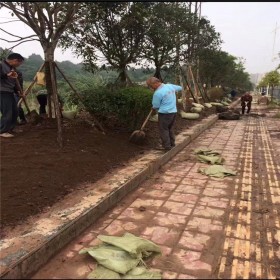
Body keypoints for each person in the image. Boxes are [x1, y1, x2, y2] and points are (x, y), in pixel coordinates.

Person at [146, 77, 182, 151]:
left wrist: (154, 108)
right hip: (173, 112)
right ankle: (172, 144)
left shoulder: (157, 93)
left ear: (155, 83)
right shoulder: (170, 86)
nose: (151, 87)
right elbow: (180, 88)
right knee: (170, 128)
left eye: (150, 85)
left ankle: (167, 147)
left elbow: (156, 106)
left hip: (164, 113)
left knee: (163, 129)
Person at [0, 53, 25, 138]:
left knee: (15, 111)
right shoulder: (1, 65)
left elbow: (13, 83)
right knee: (7, 112)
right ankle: (2, 131)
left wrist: (18, 92)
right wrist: (6, 75)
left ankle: (10, 128)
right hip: (2, 92)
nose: (19, 65)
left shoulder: (12, 69)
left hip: (10, 92)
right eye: (20, 63)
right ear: (15, 60)